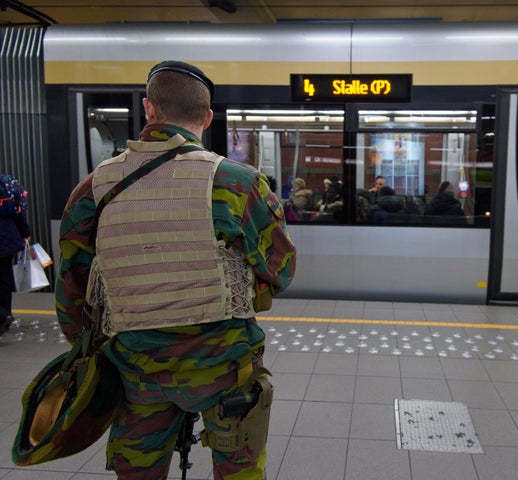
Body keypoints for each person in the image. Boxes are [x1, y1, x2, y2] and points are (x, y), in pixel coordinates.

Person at [55, 61, 296, 480]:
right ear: (207, 117)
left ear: (149, 109)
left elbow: (72, 291)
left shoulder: (92, 189)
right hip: (225, 363)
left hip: (135, 366)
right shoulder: (238, 183)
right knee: (239, 472)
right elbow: (282, 269)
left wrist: (94, 353)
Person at [0, 173, 30, 335]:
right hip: (8, 239)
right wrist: (25, 232)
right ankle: (7, 315)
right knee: (4, 280)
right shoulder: (6, 188)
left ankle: (2, 315)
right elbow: (18, 213)